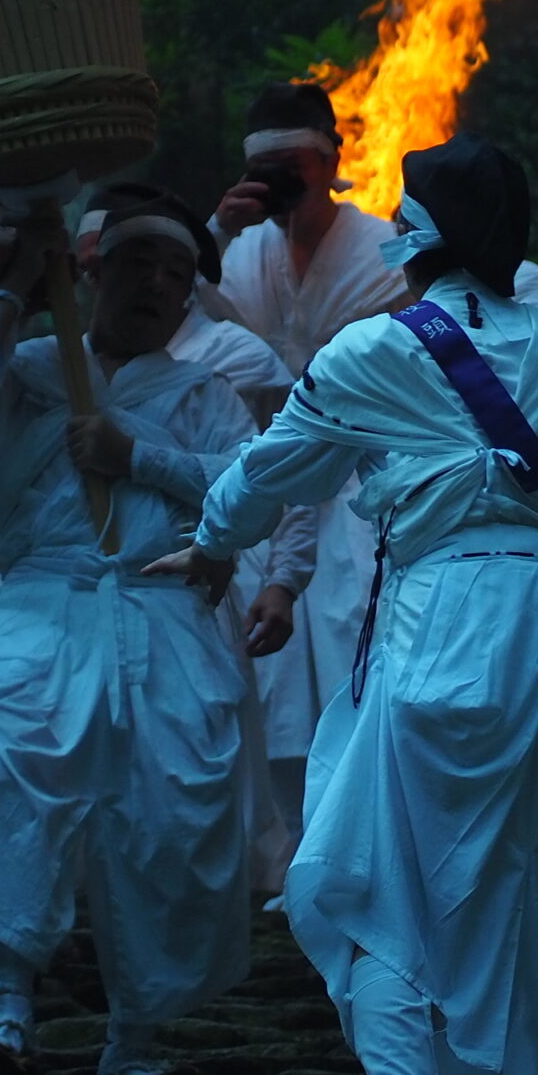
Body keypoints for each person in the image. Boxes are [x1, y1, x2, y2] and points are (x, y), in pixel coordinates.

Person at [158, 135, 538, 1075]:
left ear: (426, 235)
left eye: (401, 218)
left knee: (365, 879)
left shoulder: (370, 355)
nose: (386, 235)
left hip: (443, 624)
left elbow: (265, 476)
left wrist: (212, 549)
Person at [0, 189, 288, 1075]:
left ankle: (134, 1039)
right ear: (91, 272)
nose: (157, 287)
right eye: (137, 266)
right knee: (15, 791)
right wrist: (7, 290)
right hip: (45, 608)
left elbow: (254, 490)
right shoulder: (34, 368)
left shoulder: (205, 395)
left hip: (158, 617)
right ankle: (8, 1010)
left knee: (161, 822)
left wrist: (139, 459)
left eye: (176, 274)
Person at [210, 82, 409, 859]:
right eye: (268, 169)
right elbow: (199, 334)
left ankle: (367, 846)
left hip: (359, 489)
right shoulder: (242, 251)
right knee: (271, 683)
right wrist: (214, 231)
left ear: (332, 161)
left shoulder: (384, 249)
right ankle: (292, 856)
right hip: (259, 479)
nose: (285, 183)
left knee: (355, 644)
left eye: (296, 165)